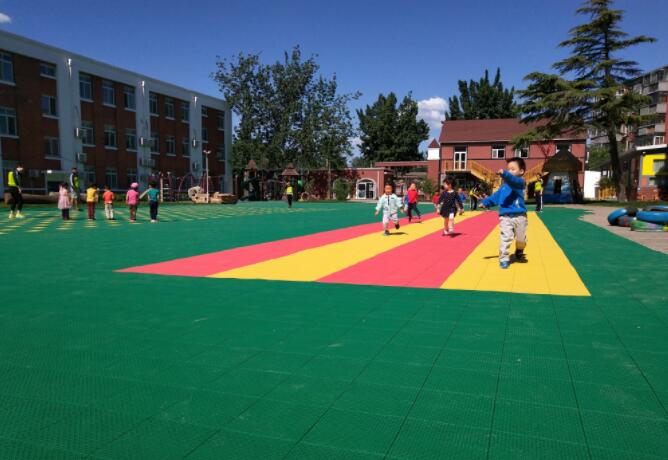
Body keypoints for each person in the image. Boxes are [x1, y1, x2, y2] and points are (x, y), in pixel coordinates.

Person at [480, 157, 528, 269]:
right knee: (505, 237)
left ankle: (519, 249)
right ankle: (504, 258)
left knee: (521, 239)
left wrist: (505, 174)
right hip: (505, 217)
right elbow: (495, 197)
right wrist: (486, 202)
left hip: (520, 216)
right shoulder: (503, 187)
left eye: (513, 169)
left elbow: (513, 180)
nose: (509, 171)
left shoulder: (520, 183)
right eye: (508, 169)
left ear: (521, 171)